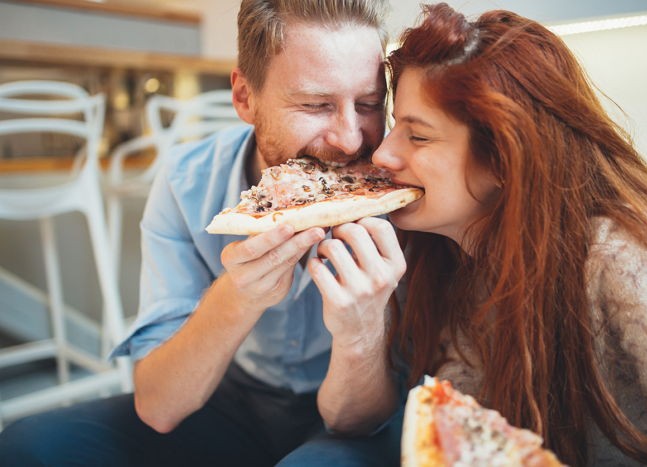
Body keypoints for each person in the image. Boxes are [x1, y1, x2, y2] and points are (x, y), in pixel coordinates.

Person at [0, 1, 405, 465]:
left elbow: (366, 416)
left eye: (370, 105)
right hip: (233, 397)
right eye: (316, 105)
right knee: (26, 445)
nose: (351, 139)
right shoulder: (185, 182)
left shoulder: (406, 186)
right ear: (244, 97)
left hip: (361, 406)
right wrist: (237, 296)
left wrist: (363, 332)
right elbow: (159, 407)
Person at [308, 3, 647, 466]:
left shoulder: (620, 259)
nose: (381, 156)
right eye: (395, 126)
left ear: (503, 159)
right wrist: (359, 329)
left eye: (418, 136)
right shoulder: (433, 254)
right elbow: (350, 422)